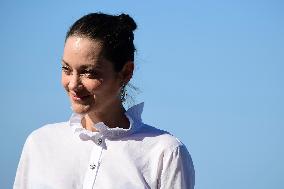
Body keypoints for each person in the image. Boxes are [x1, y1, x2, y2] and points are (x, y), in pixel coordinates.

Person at [13, 12, 195, 189]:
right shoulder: (39, 143)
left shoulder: (165, 153)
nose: (73, 84)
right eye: (66, 69)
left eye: (89, 72)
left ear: (125, 73)